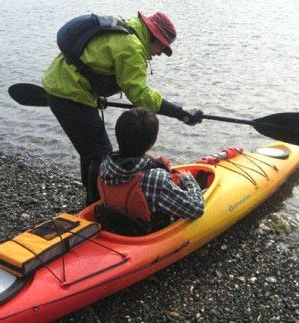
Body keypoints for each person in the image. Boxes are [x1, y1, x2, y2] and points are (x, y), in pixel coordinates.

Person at [42, 11, 203, 205]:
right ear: (153, 37)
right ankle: (96, 205)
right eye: (161, 47)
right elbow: (140, 96)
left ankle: (91, 199)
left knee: (91, 151)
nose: (159, 53)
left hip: (65, 88)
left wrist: (96, 97)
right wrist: (179, 112)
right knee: (101, 154)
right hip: (70, 94)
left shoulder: (124, 30)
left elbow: (94, 64)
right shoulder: (132, 47)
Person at [97, 107, 204, 233]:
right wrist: (190, 182)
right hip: (145, 232)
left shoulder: (105, 165)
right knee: (201, 190)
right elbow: (196, 209)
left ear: (118, 135)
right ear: (152, 142)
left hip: (115, 222)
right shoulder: (155, 178)